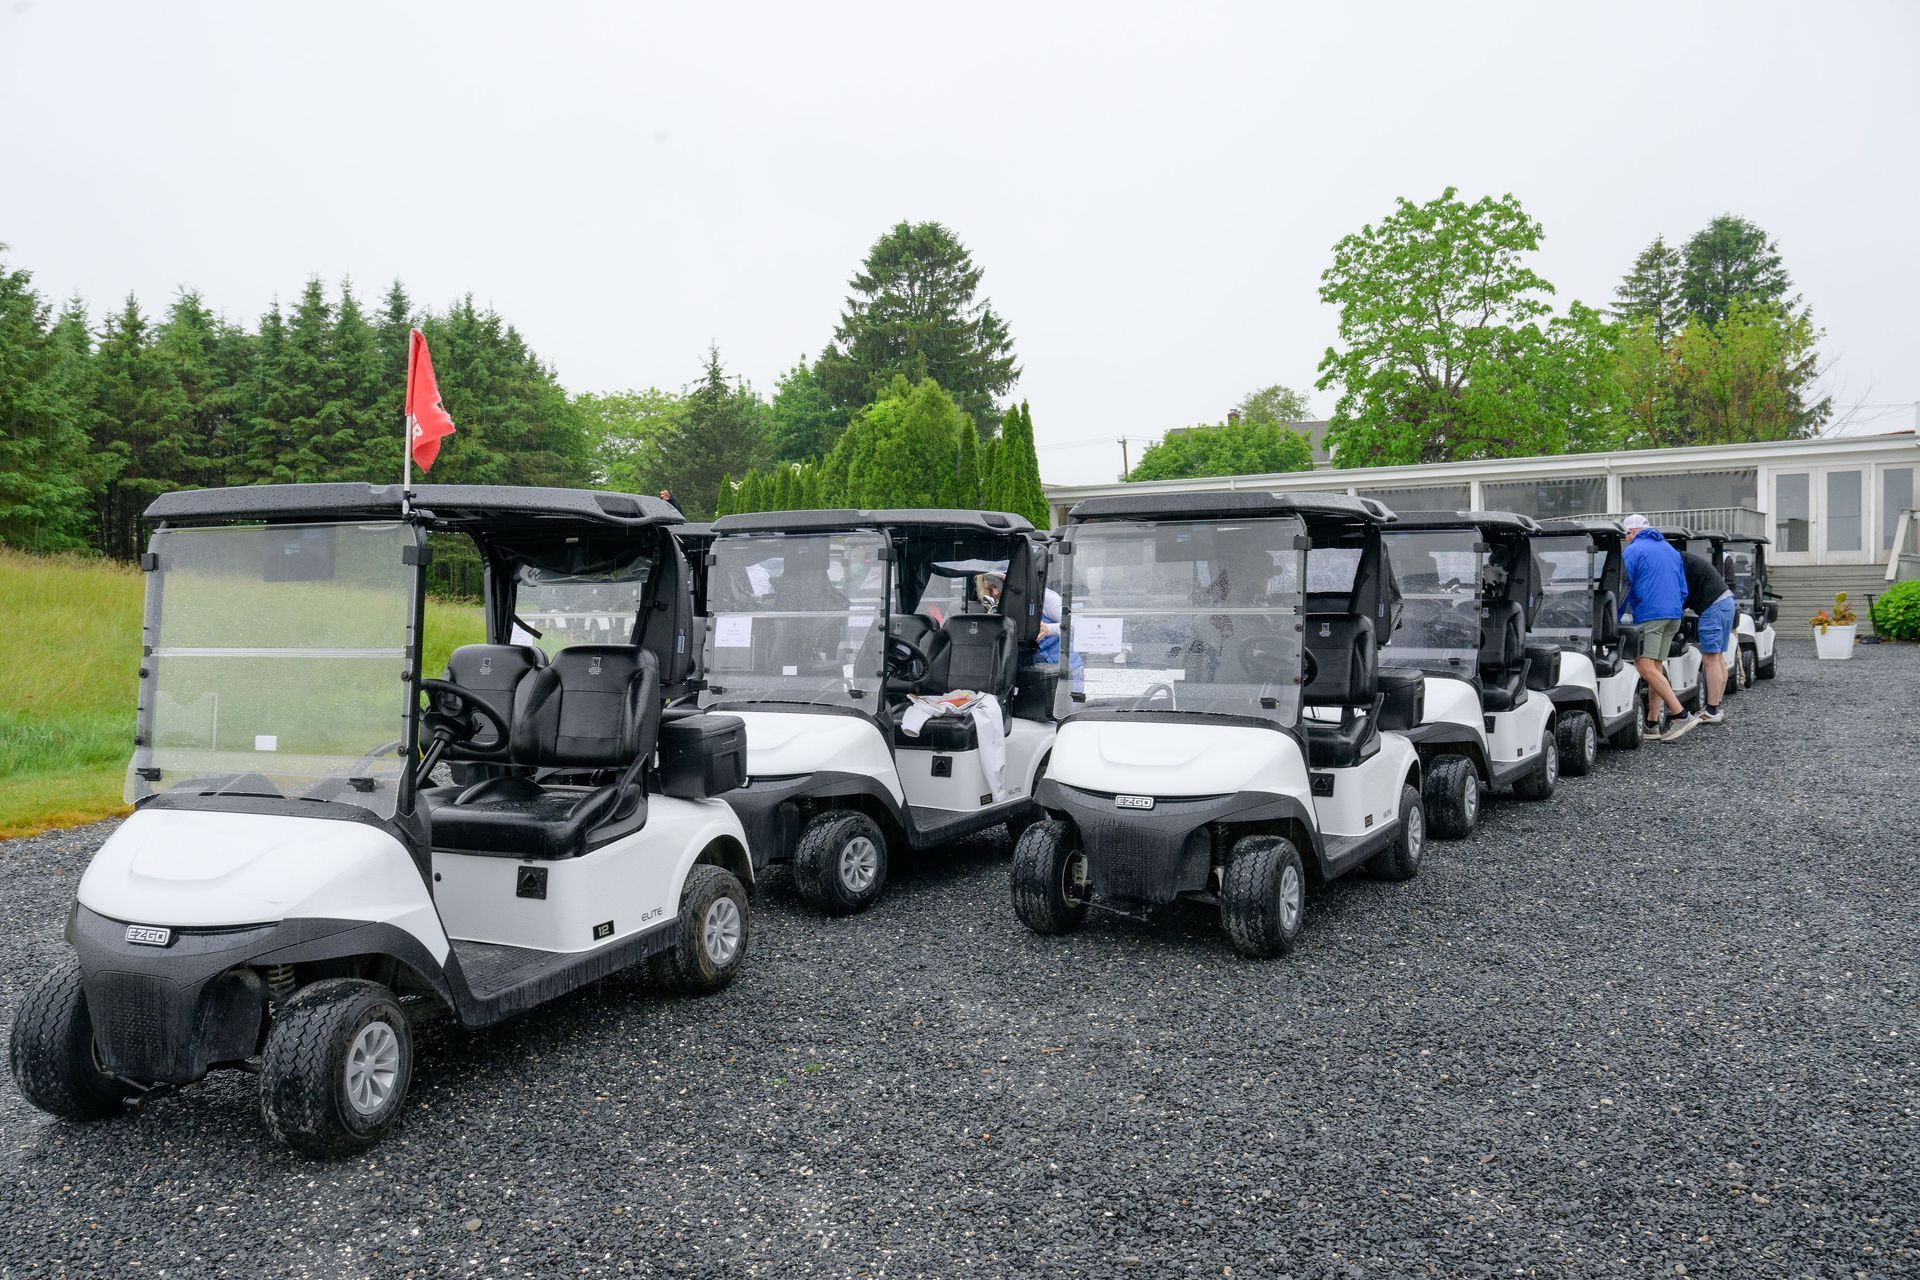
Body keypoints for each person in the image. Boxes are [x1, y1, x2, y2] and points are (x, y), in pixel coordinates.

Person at [1620, 514, 1697, 741]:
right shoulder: (1670, 551)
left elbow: (1624, 585)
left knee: (1644, 666)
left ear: (1632, 532)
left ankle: (1681, 715)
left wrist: (1613, 616)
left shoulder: (1633, 551)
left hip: (1651, 614)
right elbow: (1683, 589)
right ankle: (1652, 724)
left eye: (1625, 534)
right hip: (1673, 615)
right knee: (1655, 667)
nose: (1625, 539)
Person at [1681, 547, 1737, 724]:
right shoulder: (1683, 559)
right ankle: (1716, 706)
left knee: (1710, 658)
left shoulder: (1672, 563)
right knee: (1718, 656)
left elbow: (1680, 594)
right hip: (1725, 602)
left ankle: (1712, 710)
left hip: (1713, 606)